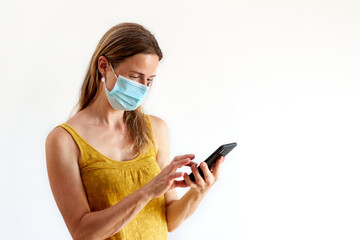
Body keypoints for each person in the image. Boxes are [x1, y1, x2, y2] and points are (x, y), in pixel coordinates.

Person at [45, 22, 224, 240]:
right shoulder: (64, 140)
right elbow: (83, 233)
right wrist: (148, 191)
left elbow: (169, 220)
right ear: (103, 66)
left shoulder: (155, 130)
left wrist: (199, 191)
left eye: (149, 80)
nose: (142, 88)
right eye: (134, 77)